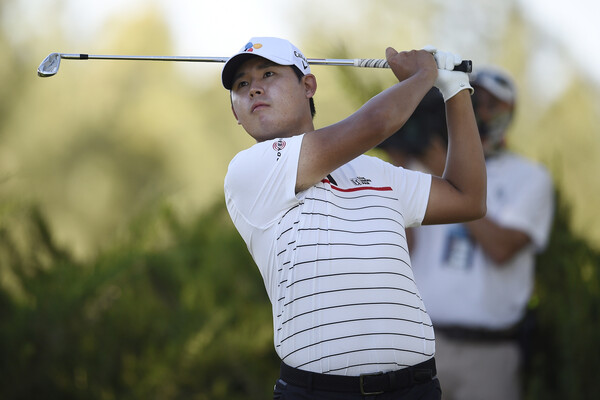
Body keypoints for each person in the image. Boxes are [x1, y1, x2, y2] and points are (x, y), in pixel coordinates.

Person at [221, 36, 486, 399]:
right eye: (241, 85)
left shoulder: (374, 171)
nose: (254, 90)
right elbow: (378, 121)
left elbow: (468, 198)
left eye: (268, 74)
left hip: (415, 388)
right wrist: (423, 76)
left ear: (308, 85)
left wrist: (456, 88)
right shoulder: (249, 171)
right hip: (319, 392)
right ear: (235, 112)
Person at [381, 67, 555, 400]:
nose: (480, 112)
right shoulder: (421, 171)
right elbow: (402, 250)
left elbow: (501, 248)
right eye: (473, 101)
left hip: (489, 354)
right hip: (423, 348)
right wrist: (398, 166)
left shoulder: (530, 177)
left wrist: (452, 176)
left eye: (492, 104)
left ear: (509, 112)